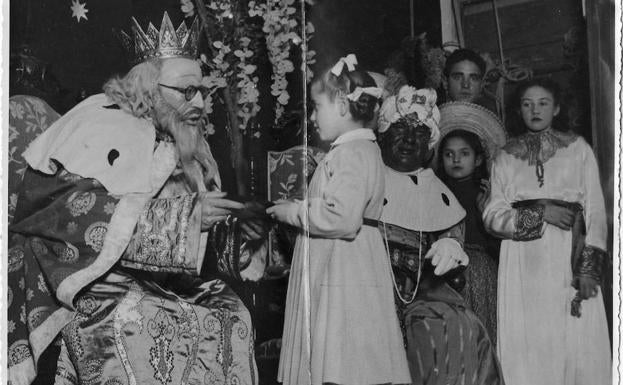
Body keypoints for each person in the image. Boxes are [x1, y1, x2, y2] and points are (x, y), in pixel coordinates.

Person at [7, 13, 268, 385]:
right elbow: (69, 215)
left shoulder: (192, 142)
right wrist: (186, 219)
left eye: (203, 93)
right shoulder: (101, 121)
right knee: (139, 320)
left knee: (232, 311)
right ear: (148, 87)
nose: (201, 105)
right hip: (106, 279)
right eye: (187, 91)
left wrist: (237, 234)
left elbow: (203, 244)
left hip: (171, 281)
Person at [267, 54, 411, 385]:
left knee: (346, 357)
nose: (313, 117)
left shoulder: (352, 153)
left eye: (318, 107)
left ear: (343, 107)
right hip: (346, 260)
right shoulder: (355, 151)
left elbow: (342, 218)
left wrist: (292, 211)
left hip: (346, 264)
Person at [483, 78, 611, 385]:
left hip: (569, 251)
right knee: (531, 342)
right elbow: (492, 215)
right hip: (524, 261)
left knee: (573, 340)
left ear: (555, 108)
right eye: (527, 104)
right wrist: (540, 213)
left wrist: (590, 270)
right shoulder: (505, 156)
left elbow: (595, 211)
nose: (535, 110)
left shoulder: (578, 149)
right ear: (519, 111)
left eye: (542, 103)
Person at [376, 85, 504, 385]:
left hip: (423, 293)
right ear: (384, 135)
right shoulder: (368, 176)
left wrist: (450, 242)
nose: (409, 140)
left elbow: (451, 230)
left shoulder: (437, 190)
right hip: (371, 287)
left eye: (419, 134)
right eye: (400, 131)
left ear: (428, 147)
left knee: (463, 328)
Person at [435, 101, 507, 343]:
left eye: (464, 154)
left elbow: (499, 244)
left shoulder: (485, 192)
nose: (456, 160)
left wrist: (486, 213)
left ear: (477, 160)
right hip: (441, 271)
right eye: (449, 154)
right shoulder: (434, 190)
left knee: (481, 335)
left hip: (480, 272)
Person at [443, 48, 499, 115]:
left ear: (481, 85)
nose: (466, 85)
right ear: (445, 82)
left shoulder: (491, 123)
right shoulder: (431, 121)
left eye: (474, 78)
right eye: (457, 77)